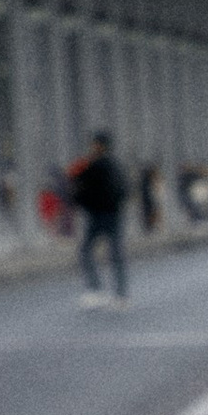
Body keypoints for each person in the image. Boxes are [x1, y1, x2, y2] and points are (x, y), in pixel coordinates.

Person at [68, 129, 131, 302]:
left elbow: (79, 185)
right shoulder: (116, 165)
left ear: (98, 145)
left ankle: (95, 289)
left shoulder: (94, 165)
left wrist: (80, 202)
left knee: (86, 250)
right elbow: (125, 190)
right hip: (114, 214)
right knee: (116, 253)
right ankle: (121, 293)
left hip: (97, 215)